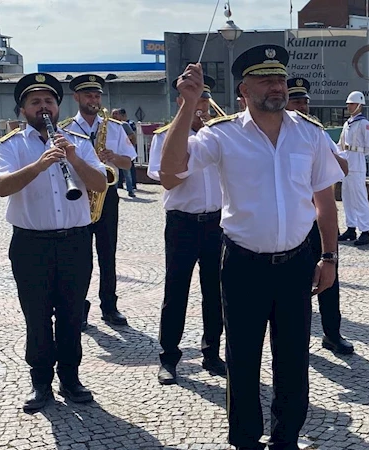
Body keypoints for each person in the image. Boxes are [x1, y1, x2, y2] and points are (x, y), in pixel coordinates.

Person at [160, 45, 343, 450]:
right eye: (265, 79)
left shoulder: (310, 134)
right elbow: (171, 174)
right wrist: (187, 107)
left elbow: (325, 202)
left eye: (279, 77)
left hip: (297, 261)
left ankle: (286, 437)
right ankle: (245, 439)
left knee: (293, 358)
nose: (276, 85)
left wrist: (329, 257)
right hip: (243, 262)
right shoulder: (220, 135)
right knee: (242, 358)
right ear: (243, 89)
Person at [0, 73, 107, 412]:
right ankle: (40, 382)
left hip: (74, 241)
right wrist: (39, 164)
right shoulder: (12, 145)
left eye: (48, 101)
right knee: (37, 314)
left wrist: (73, 158)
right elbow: (1, 186)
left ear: (57, 107)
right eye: (35, 102)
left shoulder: (78, 141)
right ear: (23, 109)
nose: (43, 107)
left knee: (72, 314)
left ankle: (71, 378)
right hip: (32, 245)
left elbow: (100, 184)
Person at [147, 74, 226, 384]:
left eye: (205, 101)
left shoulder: (217, 137)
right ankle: (169, 357)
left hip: (216, 223)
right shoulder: (164, 137)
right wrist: (188, 162)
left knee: (215, 292)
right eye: (195, 100)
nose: (202, 107)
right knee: (176, 291)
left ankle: (212, 352)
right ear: (181, 101)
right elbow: (167, 177)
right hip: (182, 222)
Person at [60, 74, 138, 329]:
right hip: (78, 194)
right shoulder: (66, 128)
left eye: (97, 96)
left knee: (108, 253)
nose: (93, 100)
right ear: (77, 98)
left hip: (107, 196)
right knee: (79, 256)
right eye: (88, 96)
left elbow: (129, 163)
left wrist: (114, 156)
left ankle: (109, 305)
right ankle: (78, 307)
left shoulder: (113, 127)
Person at [285, 76, 354, 354]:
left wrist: (324, 152)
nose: (302, 107)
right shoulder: (279, 135)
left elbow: (344, 168)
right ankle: (296, 339)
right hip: (294, 220)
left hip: (320, 218)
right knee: (294, 285)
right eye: (296, 101)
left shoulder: (317, 133)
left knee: (330, 276)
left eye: (305, 102)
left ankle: (332, 333)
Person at [337, 90, 369, 246]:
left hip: (357, 163)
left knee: (359, 198)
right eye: (348, 104)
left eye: (351, 104)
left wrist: (356, 152)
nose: (349, 106)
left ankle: (365, 231)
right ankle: (351, 227)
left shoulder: (364, 124)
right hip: (346, 162)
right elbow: (341, 143)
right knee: (347, 197)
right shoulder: (348, 122)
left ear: (359, 105)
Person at [111, 108, 137, 197]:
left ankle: (130, 190)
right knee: (114, 172)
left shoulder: (124, 125)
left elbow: (132, 135)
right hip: (113, 153)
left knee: (127, 173)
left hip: (123, 152)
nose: (114, 115)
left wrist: (130, 146)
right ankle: (113, 191)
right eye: (113, 114)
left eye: (116, 113)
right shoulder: (109, 124)